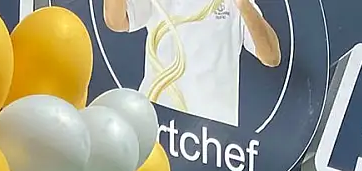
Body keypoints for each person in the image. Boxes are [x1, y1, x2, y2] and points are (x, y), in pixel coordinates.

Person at [103, 0, 281, 126]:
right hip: (160, 122)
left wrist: (243, 4)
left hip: (213, 136)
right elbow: (116, 21)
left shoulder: (233, 4)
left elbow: (271, 56)